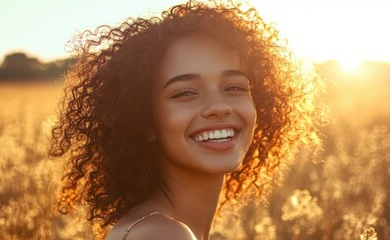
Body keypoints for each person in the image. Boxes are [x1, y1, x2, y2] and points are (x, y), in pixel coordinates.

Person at [49, 1, 322, 239]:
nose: (219, 106)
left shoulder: (155, 227)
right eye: (185, 92)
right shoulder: (163, 234)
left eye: (235, 87)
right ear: (145, 121)